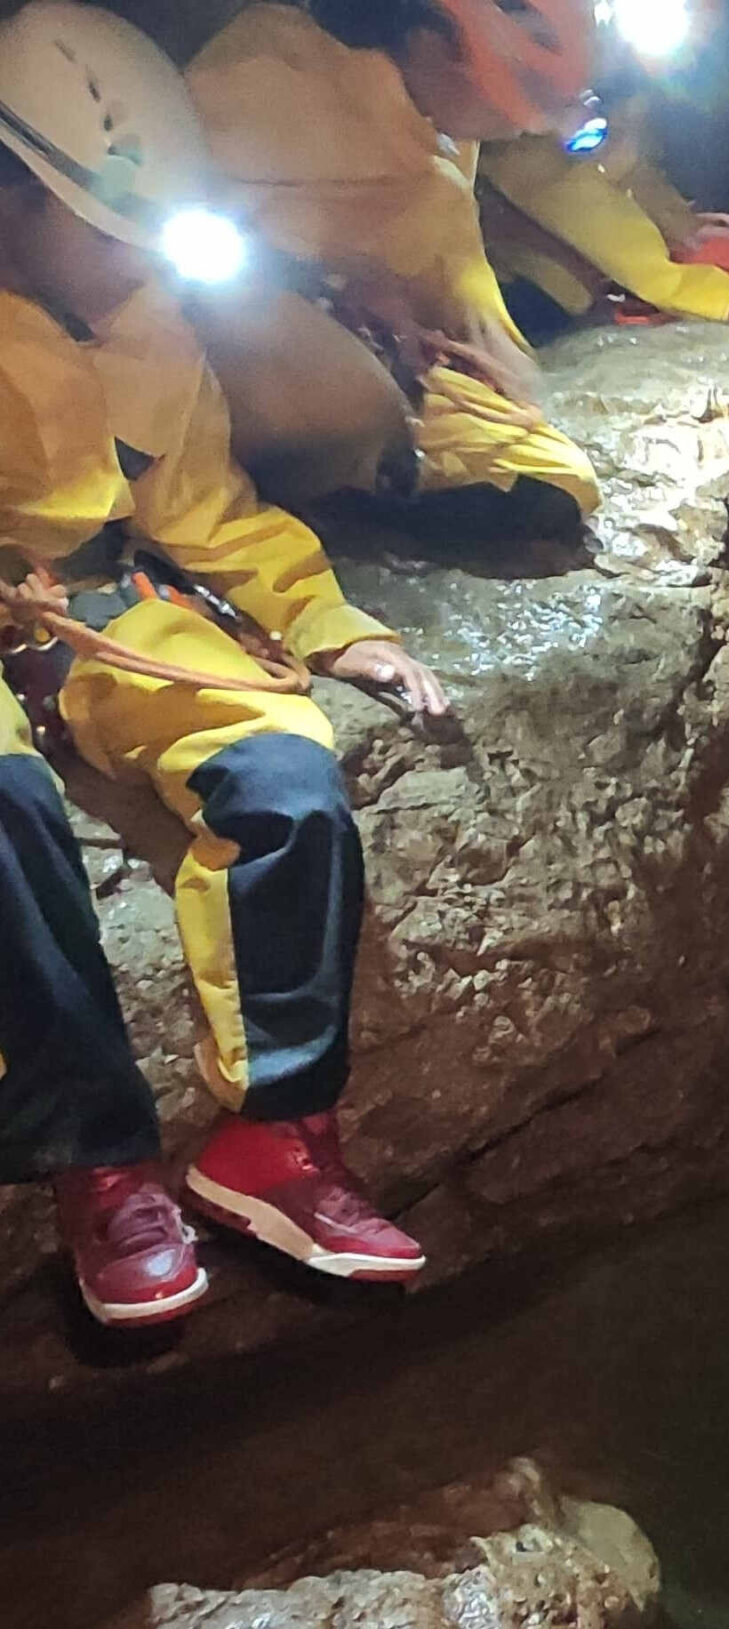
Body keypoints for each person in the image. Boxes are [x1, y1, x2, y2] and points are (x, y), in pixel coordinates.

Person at [0, 2, 444, 1327]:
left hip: (96, 603)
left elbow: (199, 500)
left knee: (289, 770)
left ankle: (274, 1133)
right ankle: (98, 1156)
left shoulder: (139, 311)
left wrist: (326, 621)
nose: (138, 255)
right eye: (108, 223)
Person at [183, 0, 605, 538]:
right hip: (241, 345)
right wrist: (336, 293)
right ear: (432, 44)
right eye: (515, 98)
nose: (518, 129)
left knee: (556, 475)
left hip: (378, 340)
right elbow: (191, 252)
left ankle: (385, 465)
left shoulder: (432, 136)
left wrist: (482, 353)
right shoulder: (263, 82)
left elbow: (451, 270)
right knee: (361, 412)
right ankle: (347, 486)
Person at [479, 90, 729, 341]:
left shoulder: (570, 85)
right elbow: (573, 199)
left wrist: (677, 222)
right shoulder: (503, 134)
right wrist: (706, 294)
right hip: (529, 295)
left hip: (570, 242)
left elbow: (619, 159)